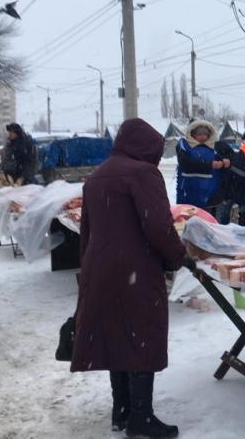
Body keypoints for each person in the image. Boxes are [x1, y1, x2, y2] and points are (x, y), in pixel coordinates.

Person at [71, 118, 191, 438]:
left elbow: (87, 231)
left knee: (117, 335)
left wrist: (88, 268)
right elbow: (158, 226)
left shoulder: (97, 176)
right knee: (141, 337)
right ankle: (141, 416)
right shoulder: (142, 173)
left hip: (101, 269)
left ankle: (121, 409)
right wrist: (178, 256)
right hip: (135, 269)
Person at [175, 119, 229, 211]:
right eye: (199, 134)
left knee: (207, 223)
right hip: (187, 196)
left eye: (205, 134)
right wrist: (210, 165)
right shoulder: (184, 145)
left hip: (208, 199)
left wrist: (225, 162)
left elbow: (223, 160)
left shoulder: (213, 148)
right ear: (192, 134)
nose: (203, 137)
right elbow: (185, 163)